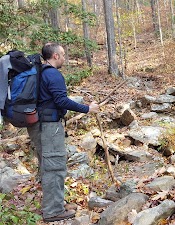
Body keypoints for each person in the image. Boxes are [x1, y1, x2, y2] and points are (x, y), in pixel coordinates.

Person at [27, 42, 99, 222]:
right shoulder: (53, 74)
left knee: (48, 165)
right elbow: (61, 101)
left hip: (39, 125)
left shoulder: (40, 72)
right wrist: (87, 108)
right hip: (49, 127)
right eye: (63, 54)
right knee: (54, 167)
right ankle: (53, 211)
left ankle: (57, 203)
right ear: (55, 56)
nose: (65, 58)